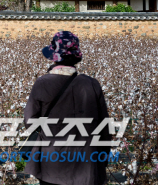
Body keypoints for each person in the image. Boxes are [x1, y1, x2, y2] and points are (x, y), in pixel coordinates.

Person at [24, 31, 111, 185]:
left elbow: (30, 123)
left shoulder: (43, 83)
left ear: (54, 56)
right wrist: (102, 160)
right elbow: (105, 129)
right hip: (87, 166)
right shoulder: (91, 84)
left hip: (52, 166)